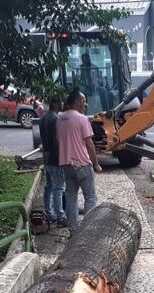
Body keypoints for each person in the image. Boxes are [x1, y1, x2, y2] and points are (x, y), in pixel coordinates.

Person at [56, 90, 102, 231]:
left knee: (71, 197)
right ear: (76, 102)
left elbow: (59, 141)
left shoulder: (60, 119)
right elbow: (89, 143)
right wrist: (96, 164)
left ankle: (73, 230)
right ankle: (87, 232)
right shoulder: (82, 119)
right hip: (82, 164)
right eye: (83, 102)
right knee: (90, 198)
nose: (85, 104)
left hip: (66, 164)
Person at [39, 99, 66, 226]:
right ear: (54, 103)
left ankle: (49, 212)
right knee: (59, 187)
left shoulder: (43, 117)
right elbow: (56, 140)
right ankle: (60, 216)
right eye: (60, 102)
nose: (62, 104)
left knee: (49, 185)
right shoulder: (55, 118)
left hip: (46, 157)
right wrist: (61, 157)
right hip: (55, 158)